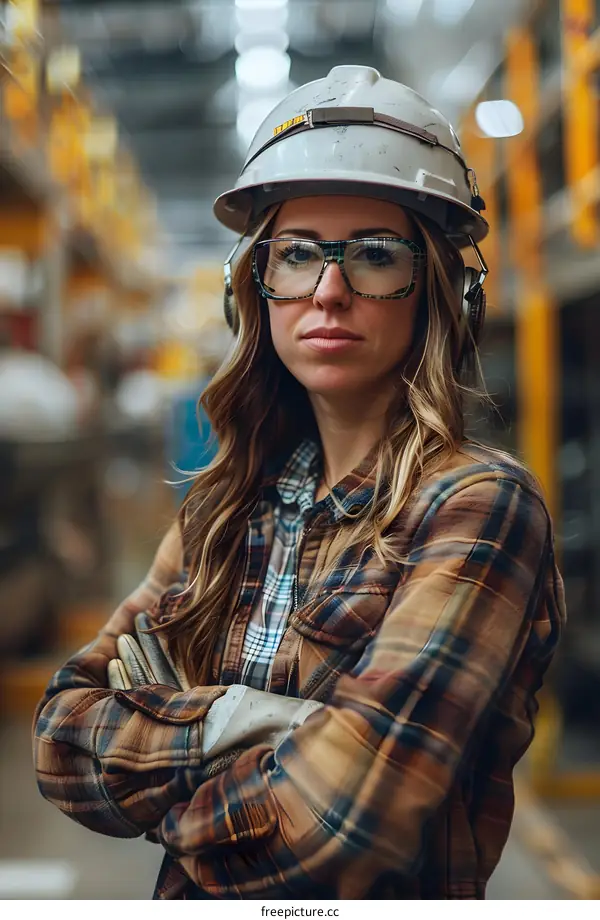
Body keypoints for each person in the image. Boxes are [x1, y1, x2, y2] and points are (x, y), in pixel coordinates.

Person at [33, 65, 565, 900]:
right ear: (254, 287)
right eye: (298, 254)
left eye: (376, 255)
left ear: (440, 291)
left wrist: (165, 788)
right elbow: (60, 738)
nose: (329, 290)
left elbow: (345, 823)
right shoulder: (222, 506)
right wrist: (238, 722)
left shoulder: (477, 507)